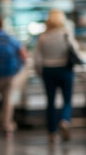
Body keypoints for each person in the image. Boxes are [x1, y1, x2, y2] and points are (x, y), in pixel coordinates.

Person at [33, 9, 80, 143]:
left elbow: (37, 58)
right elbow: (75, 50)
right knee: (67, 100)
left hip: (48, 71)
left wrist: (39, 71)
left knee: (51, 102)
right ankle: (65, 120)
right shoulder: (66, 33)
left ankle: (52, 133)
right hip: (65, 70)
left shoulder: (43, 37)